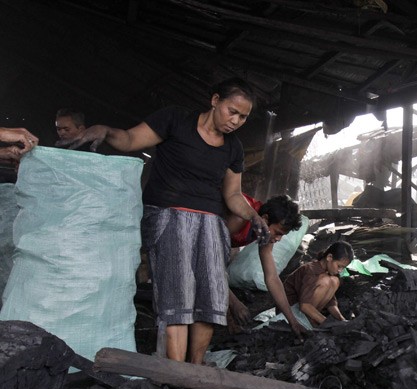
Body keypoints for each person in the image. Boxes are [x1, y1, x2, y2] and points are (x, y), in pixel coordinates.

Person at [64, 78, 271, 365]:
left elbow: (233, 194)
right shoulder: (175, 119)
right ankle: (176, 372)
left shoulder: (233, 148)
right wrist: (106, 130)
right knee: (178, 297)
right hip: (167, 215)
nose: (235, 121)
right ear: (214, 101)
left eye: (243, 116)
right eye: (231, 111)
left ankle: (195, 368)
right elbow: (130, 140)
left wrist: (253, 215)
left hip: (210, 223)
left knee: (209, 298)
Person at [224, 193, 308, 336]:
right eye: (277, 232)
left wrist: (292, 321)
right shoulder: (240, 217)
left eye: (282, 235)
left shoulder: (264, 231)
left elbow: (272, 278)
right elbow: (209, 258)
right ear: (265, 219)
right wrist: (233, 302)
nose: (278, 239)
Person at [282, 241, 352, 330]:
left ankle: (313, 319)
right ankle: (310, 322)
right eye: (339, 266)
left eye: (343, 268)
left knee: (335, 280)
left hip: (305, 310)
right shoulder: (311, 271)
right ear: (329, 257)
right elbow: (305, 306)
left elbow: (330, 302)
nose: (340, 270)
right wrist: (328, 323)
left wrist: (342, 320)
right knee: (326, 281)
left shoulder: (330, 275)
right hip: (290, 312)